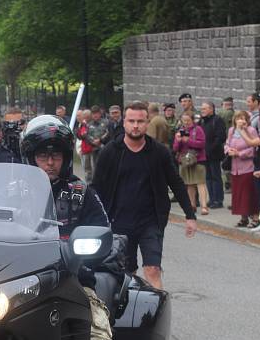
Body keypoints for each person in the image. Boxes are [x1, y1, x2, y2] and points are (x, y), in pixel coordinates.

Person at [20, 114, 153, 340]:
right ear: (30, 157)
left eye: (56, 155)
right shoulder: (14, 192)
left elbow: (106, 237)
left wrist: (90, 253)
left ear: (65, 157)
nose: (50, 161)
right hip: (18, 282)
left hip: (71, 284)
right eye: (42, 155)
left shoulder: (81, 194)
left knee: (97, 334)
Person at [93, 101, 197, 289]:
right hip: (119, 222)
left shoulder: (159, 152)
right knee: (126, 273)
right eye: (131, 121)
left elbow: (176, 183)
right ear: (124, 122)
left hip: (151, 221)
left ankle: (157, 314)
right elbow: (96, 187)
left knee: (153, 270)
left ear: (147, 123)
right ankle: (125, 314)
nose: (135, 125)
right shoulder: (111, 152)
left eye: (140, 121)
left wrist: (190, 215)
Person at [225, 110, 259, 227]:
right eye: (238, 118)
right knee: (238, 193)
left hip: (247, 167)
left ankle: (255, 218)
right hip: (235, 168)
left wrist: (239, 153)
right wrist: (228, 150)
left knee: (248, 193)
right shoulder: (231, 131)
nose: (241, 120)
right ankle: (243, 217)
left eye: (243, 118)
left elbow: (253, 148)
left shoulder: (251, 130)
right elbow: (227, 144)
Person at [173, 111, 209, 215]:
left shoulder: (198, 129)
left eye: (188, 120)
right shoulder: (180, 131)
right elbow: (175, 148)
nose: (186, 122)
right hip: (185, 160)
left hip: (198, 159)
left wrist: (187, 140)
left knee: (200, 183)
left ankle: (204, 206)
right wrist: (179, 140)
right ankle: (192, 205)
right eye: (184, 120)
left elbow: (201, 144)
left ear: (192, 120)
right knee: (189, 184)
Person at [200, 101, 227, 209]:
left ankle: (218, 200)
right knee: (208, 177)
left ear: (211, 109)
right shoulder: (202, 121)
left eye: (205, 109)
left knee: (216, 176)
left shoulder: (217, 120)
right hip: (204, 154)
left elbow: (220, 137)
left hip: (214, 154)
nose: (203, 111)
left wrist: (211, 148)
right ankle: (211, 199)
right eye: (202, 109)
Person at [84, 105, 109, 179]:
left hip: (105, 149)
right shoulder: (89, 125)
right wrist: (93, 141)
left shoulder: (106, 122)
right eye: (93, 113)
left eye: (97, 113)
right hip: (94, 149)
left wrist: (100, 140)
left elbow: (109, 134)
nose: (95, 115)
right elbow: (87, 136)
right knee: (96, 167)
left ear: (100, 114)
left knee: (106, 166)